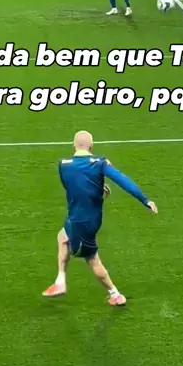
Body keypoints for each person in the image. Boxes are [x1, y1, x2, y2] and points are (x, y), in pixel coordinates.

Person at [42, 130, 158, 306]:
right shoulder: (100, 163)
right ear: (91, 146)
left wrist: (95, 186)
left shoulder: (63, 165)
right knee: (62, 237)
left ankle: (116, 294)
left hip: (81, 221)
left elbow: (72, 186)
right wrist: (144, 199)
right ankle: (60, 281)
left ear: (74, 145)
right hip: (86, 219)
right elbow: (122, 180)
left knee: (92, 259)